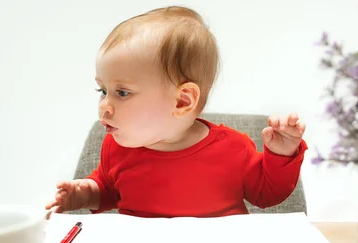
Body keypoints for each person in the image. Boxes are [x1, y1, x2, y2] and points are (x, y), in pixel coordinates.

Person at [45, 6, 307, 218]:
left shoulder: (234, 148)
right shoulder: (116, 147)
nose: (104, 105)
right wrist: (85, 194)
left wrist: (281, 155)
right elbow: (108, 190)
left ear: (182, 101)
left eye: (122, 92)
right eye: (102, 91)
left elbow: (267, 195)